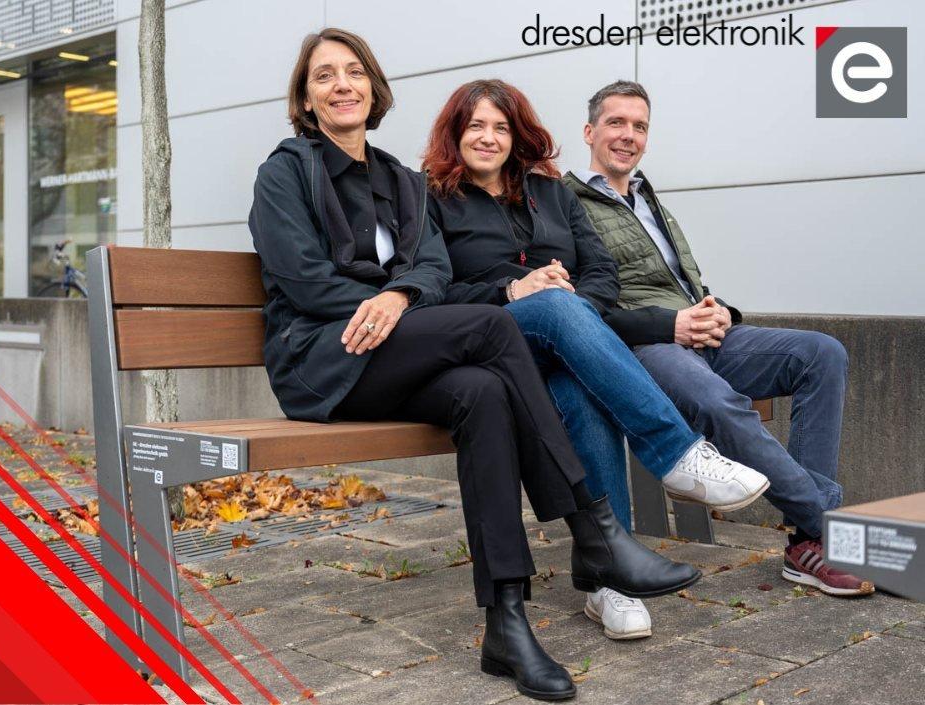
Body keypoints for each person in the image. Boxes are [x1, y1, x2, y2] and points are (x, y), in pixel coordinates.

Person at [248, 30, 702, 700]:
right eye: (324, 76)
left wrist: (403, 295)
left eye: (354, 72)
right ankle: (593, 528)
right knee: (493, 324)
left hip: (398, 353)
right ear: (306, 99)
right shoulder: (285, 173)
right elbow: (304, 280)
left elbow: (432, 268)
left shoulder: (402, 182)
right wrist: (393, 301)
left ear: (374, 88)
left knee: (484, 392)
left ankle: (506, 622)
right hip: (325, 360)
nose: (342, 85)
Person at [423, 79, 770, 641]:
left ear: (518, 135)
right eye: (476, 126)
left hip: (562, 343)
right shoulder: (431, 199)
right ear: (455, 132)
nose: (489, 138)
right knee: (554, 309)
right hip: (489, 340)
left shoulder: (552, 193)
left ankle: (611, 580)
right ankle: (677, 453)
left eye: (502, 127)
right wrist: (512, 290)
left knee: (582, 392)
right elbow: (432, 287)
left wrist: (575, 308)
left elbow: (602, 271)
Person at [562, 80, 873, 597]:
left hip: (702, 333)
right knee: (714, 399)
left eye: (640, 126)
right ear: (589, 131)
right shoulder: (565, 202)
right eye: (616, 123)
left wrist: (721, 311)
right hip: (644, 345)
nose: (629, 135)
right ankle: (826, 530)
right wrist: (671, 325)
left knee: (822, 353)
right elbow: (581, 312)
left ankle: (806, 542)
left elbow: (687, 282)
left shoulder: (648, 198)